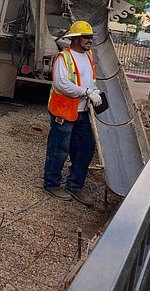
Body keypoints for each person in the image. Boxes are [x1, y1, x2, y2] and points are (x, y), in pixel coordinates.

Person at [43, 20, 103, 207]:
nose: (90, 41)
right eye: (86, 37)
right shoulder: (64, 58)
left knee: (86, 148)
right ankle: (51, 184)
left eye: (91, 37)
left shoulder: (89, 56)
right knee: (59, 149)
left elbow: (89, 79)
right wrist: (86, 92)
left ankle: (75, 185)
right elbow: (62, 84)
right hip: (64, 111)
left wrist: (95, 91)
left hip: (82, 111)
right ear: (75, 39)